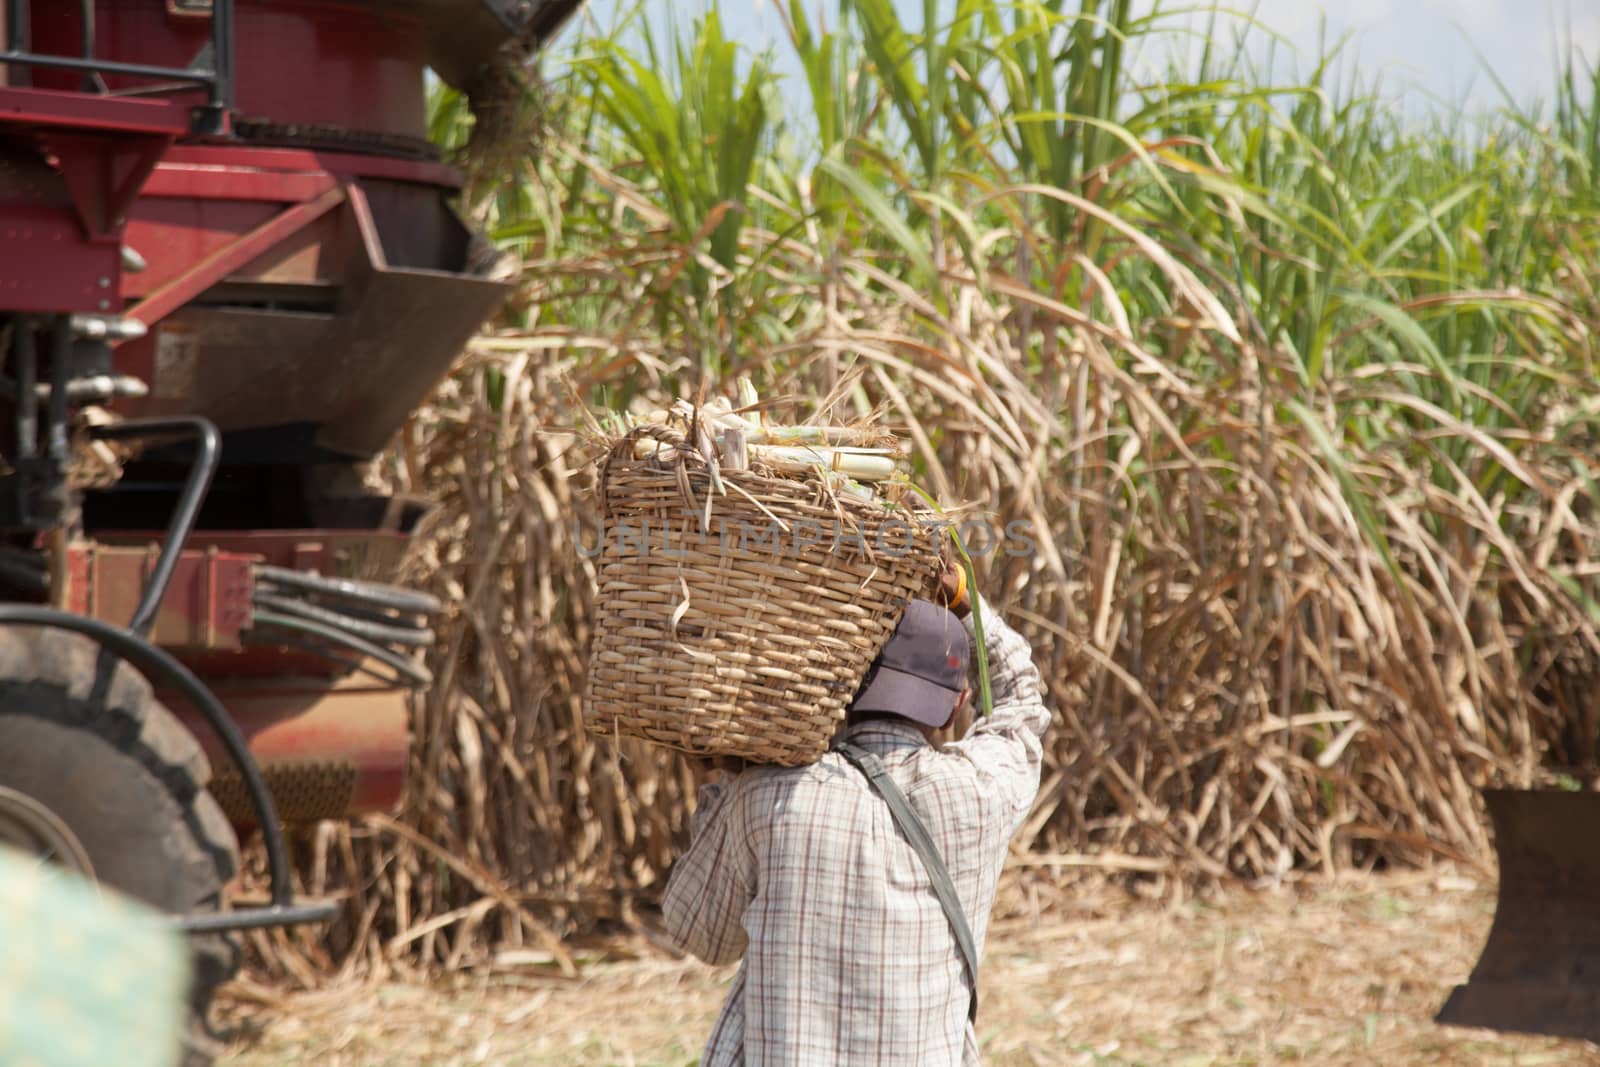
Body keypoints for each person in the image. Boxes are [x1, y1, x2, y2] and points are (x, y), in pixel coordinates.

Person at [660, 560, 1051, 1066]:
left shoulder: (771, 793)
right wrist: (966, 604)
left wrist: (724, 776)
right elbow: (1020, 697)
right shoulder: (981, 793)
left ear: (844, 688)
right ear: (958, 705)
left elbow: (699, 933)